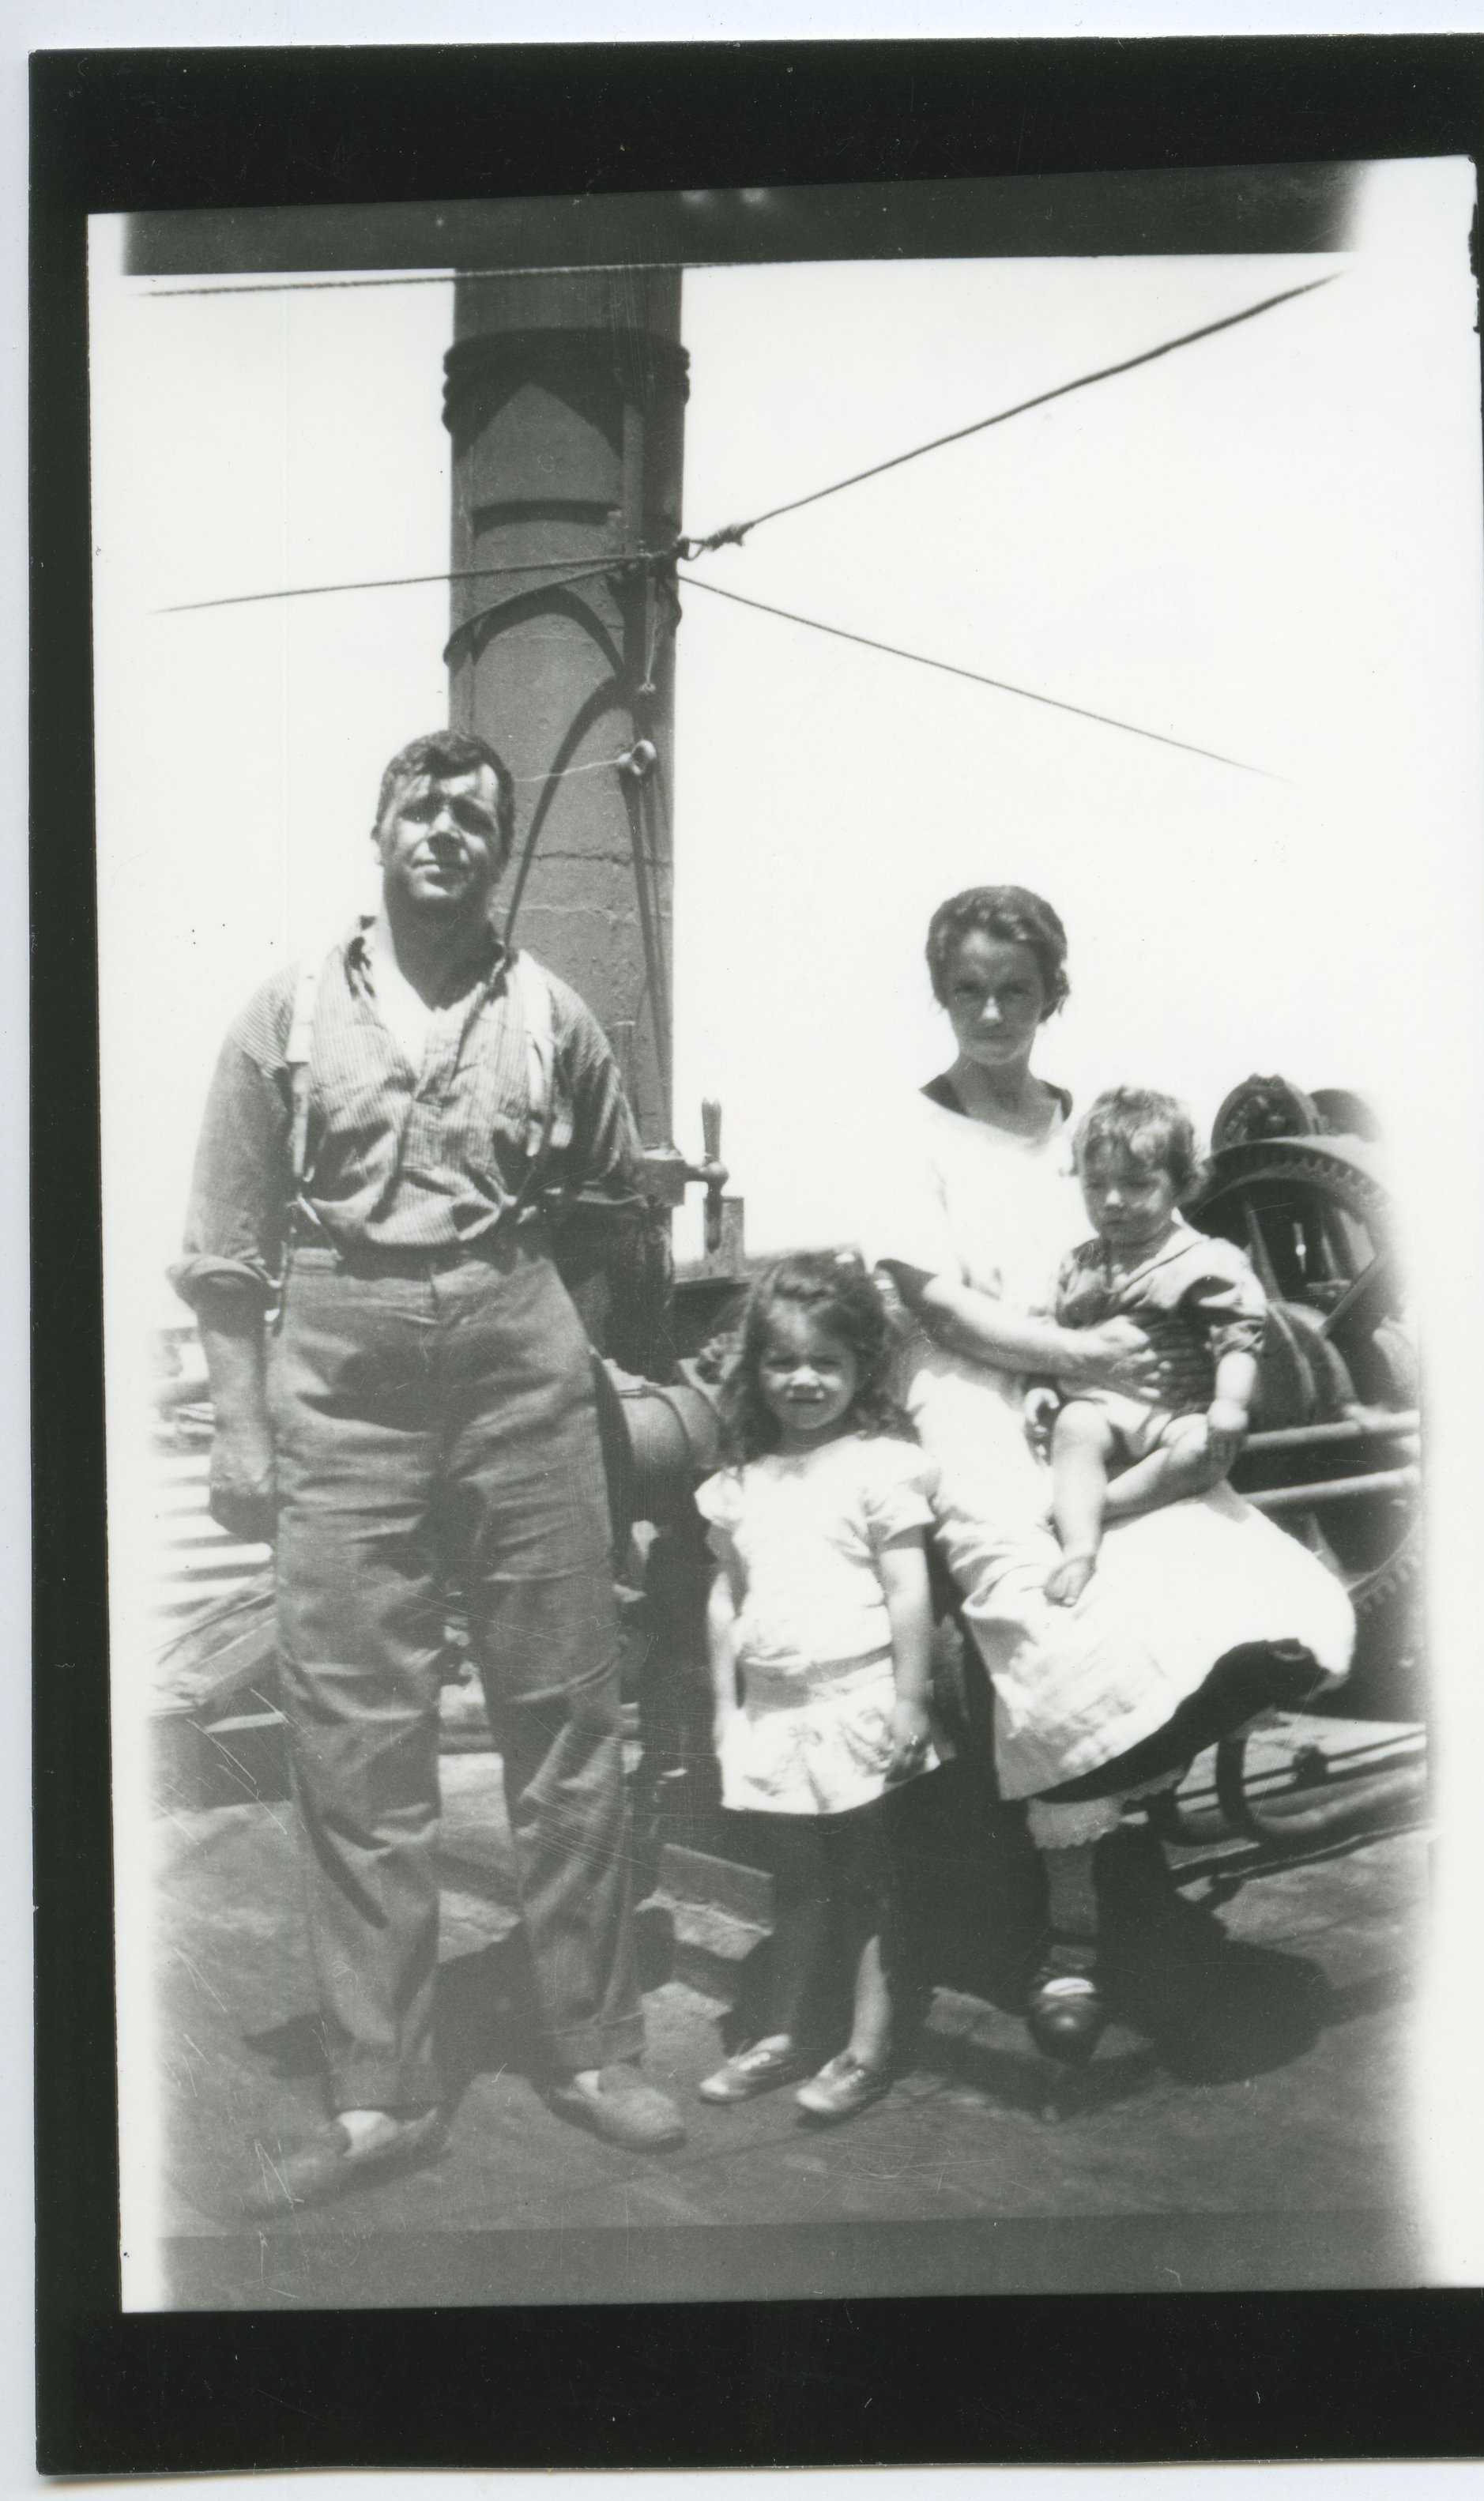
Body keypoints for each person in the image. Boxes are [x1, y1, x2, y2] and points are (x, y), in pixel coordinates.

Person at [172, 727, 685, 2214]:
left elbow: (610, 1210)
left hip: (521, 1353)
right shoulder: (282, 1012)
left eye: (474, 811)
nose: (447, 828)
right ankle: (382, 2093)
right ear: (379, 826)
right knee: (355, 1740)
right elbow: (225, 1250)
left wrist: (560, 1364)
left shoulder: (553, 1015)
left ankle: (592, 2048)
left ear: (497, 846)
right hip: (337, 1361)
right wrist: (242, 1426)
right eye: (423, 804)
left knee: (566, 1719)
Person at [874, 886, 1354, 2062]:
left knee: (1231, 1576)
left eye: (1016, 990)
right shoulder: (910, 1130)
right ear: (942, 996)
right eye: (969, 990)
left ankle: (1120, 1852)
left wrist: (1198, 1387)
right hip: (977, 1393)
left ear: (1052, 996)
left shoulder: (1087, 1132)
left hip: (1119, 1389)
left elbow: (1153, 1264)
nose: (993, 1012)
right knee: (1051, 1607)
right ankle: (1062, 1919)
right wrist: (1073, 1359)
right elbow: (936, 1301)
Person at [693, 1253, 937, 2123]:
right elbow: (727, 1596)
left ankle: (867, 2049)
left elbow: (909, 1588)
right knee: (794, 1881)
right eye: (783, 1362)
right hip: (775, 1709)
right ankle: (786, 2031)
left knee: (869, 1880)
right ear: (753, 1372)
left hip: (856, 1701)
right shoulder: (740, 1484)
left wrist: (909, 1701)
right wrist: (726, 1706)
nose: (803, 1380)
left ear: (860, 1368)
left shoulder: (878, 1466)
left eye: (826, 1363)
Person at [1035, 1087, 1266, 1608]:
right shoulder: (1080, 1264)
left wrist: (1229, 1404)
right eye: (1096, 1185)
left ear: (1181, 1184)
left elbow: (1238, 1336)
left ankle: (1103, 1504)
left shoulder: (1201, 1259)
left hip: (1175, 1411)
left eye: (1136, 1184)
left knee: (1205, 1450)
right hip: (1104, 1409)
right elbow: (1058, 1333)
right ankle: (1079, 1548)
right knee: (1074, 1426)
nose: (1112, 1201)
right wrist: (1041, 1389)